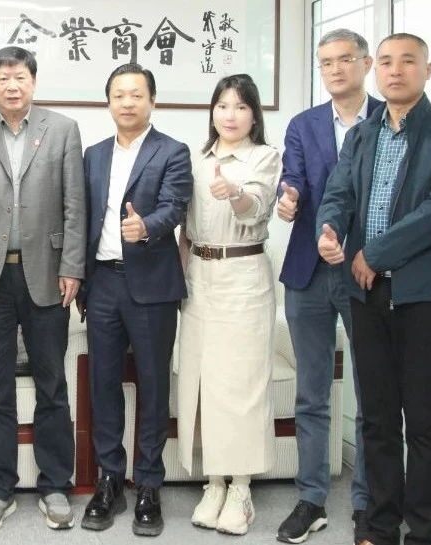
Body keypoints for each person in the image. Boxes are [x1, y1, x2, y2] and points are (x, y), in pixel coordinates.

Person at [315, 33, 431, 545]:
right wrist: (329, 232)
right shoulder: (362, 135)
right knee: (378, 420)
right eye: (386, 62)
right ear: (374, 70)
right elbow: (339, 193)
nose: (395, 70)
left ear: (428, 70)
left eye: (408, 61)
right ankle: (380, 526)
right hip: (367, 297)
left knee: (424, 422)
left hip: (426, 296)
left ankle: (423, 533)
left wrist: (374, 254)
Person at [0, 46, 86, 534]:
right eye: (3, 78)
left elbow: (75, 204)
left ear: (33, 82)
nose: (12, 85)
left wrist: (73, 266)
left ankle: (55, 485)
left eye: (20, 77)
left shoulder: (63, 129)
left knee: (52, 382)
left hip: (48, 272)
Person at [275, 28, 381, 545]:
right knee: (311, 393)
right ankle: (312, 498)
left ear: (365, 63)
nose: (335, 70)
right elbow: (292, 176)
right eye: (326, 63)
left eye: (344, 59)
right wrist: (288, 197)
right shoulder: (304, 124)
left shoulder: (387, 120)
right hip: (309, 271)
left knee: (372, 393)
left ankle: (367, 503)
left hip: (369, 269)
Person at [78, 63, 193, 537]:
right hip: (102, 282)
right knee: (103, 384)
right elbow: (81, 216)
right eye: (119, 95)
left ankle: (148, 483)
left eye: (136, 94)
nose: (127, 102)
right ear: (108, 102)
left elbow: (175, 205)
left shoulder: (173, 151)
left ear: (152, 101)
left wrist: (146, 226)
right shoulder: (93, 154)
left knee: (152, 385)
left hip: (151, 285)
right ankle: (109, 479)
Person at [175, 73, 280, 537]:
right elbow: (185, 230)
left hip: (243, 276)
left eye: (240, 106)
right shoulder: (196, 160)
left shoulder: (264, 156)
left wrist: (234, 193)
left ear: (254, 115)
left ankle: (241, 488)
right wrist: (178, 281)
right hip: (199, 277)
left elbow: (256, 206)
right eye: (222, 106)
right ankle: (214, 482)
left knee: (242, 384)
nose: (230, 115)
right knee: (203, 382)